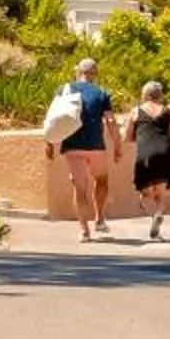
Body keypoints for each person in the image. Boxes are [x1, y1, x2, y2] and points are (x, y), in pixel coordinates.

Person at [49, 56, 117, 238]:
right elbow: (110, 120)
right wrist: (118, 145)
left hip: (72, 145)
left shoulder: (64, 89)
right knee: (101, 180)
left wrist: (49, 143)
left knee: (80, 188)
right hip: (96, 145)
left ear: (78, 72)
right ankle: (100, 219)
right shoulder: (101, 92)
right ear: (95, 74)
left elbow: (54, 117)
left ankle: (84, 230)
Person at [129, 77, 170, 241]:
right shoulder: (167, 111)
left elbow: (127, 138)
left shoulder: (136, 111)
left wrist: (139, 135)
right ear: (160, 95)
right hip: (165, 152)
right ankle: (158, 215)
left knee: (144, 193)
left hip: (145, 153)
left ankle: (153, 213)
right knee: (160, 194)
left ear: (144, 95)